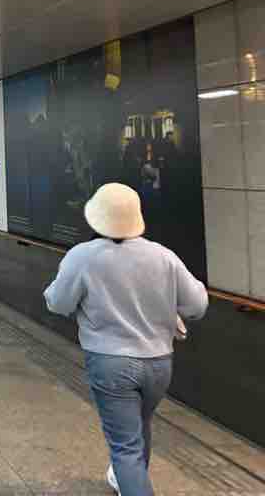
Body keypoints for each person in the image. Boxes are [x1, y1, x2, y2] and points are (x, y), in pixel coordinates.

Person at [44, 183, 208, 496]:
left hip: (110, 363)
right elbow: (197, 305)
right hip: (158, 363)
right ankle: (125, 481)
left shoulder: (83, 256)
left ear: (95, 217)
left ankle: (130, 482)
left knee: (125, 447)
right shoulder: (163, 256)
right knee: (139, 426)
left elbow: (58, 302)